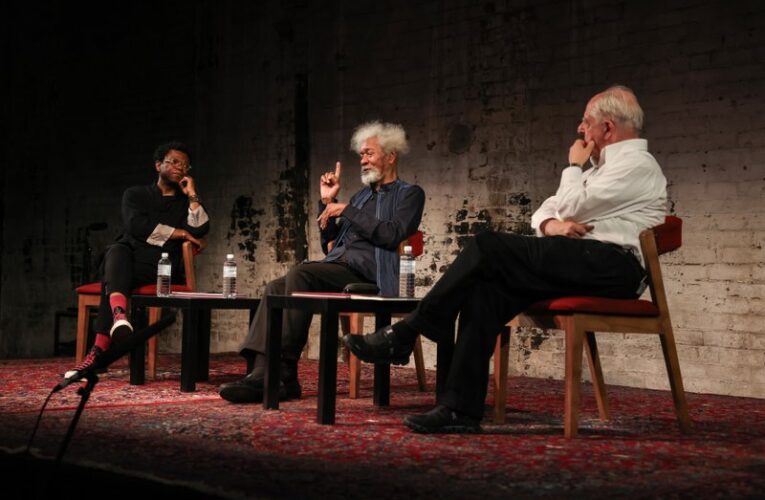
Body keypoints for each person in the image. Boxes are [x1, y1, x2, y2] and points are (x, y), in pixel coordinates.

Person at [346, 86, 667, 433]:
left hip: (614, 266)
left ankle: (409, 331)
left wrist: (572, 166)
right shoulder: (596, 171)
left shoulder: (636, 164)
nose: (580, 130)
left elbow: (572, 203)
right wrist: (552, 223)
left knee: (487, 245)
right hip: (579, 260)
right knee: (486, 291)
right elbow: (548, 208)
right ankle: (459, 410)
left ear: (607, 127)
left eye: (586, 123)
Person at [219, 121, 425, 404]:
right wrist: (327, 201)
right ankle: (267, 373)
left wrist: (347, 210)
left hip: (373, 275)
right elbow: (330, 245)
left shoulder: (410, 194)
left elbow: (391, 235)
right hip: (341, 267)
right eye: (361, 155)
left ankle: (281, 373)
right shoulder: (361, 197)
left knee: (301, 274)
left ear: (390, 156)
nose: (363, 160)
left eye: (369, 153)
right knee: (274, 287)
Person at [64, 142, 210, 379]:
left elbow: (202, 228)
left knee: (114, 273)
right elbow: (136, 226)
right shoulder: (135, 194)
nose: (179, 168)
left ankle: (99, 350)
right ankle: (119, 317)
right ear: (158, 165)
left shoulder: (186, 204)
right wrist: (180, 233)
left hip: (159, 268)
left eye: (185, 165)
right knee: (118, 251)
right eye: (174, 162)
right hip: (127, 259)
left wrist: (192, 193)